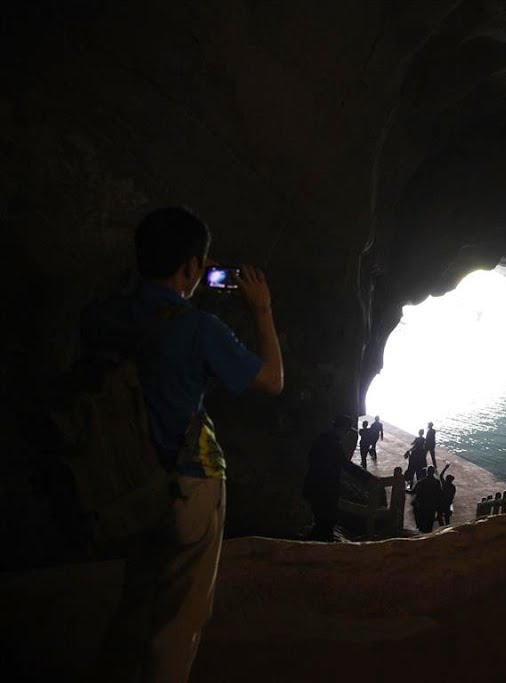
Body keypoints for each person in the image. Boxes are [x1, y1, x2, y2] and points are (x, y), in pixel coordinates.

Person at [85, 206, 283, 683]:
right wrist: (261, 310)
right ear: (192, 267)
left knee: (137, 600)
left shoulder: (108, 314)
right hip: (187, 483)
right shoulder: (199, 328)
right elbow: (272, 380)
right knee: (178, 623)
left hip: (126, 479)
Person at [304, 416, 352, 540]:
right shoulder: (332, 443)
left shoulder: (324, 439)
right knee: (326, 521)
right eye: (346, 431)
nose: (346, 435)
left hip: (316, 486)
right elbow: (344, 464)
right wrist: (367, 478)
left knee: (322, 521)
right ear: (342, 429)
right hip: (324, 489)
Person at [410, 465, 442, 533]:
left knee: (421, 522)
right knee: (429, 525)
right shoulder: (437, 482)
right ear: (433, 472)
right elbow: (439, 494)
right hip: (431, 506)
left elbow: (413, 491)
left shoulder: (421, 482)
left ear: (427, 472)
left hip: (422, 505)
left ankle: (418, 527)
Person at [437, 462, 456, 526]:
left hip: (442, 501)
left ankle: (441, 526)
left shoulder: (444, 484)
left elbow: (441, 475)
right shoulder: (453, 487)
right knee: (447, 517)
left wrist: (445, 468)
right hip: (448, 503)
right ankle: (447, 527)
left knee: (439, 515)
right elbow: (452, 496)